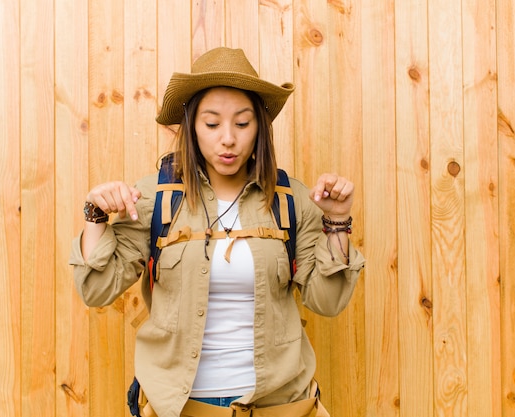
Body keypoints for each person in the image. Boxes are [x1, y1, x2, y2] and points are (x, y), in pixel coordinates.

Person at [70, 47, 365, 417]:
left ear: (259, 127)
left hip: (281, 405)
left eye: (242, 124)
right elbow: (96, 290)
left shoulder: (292, 200)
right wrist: (95, 215)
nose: (228, 138)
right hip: (182, 406)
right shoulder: (153, 199)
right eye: (212, 124)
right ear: (192, 127)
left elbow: (328, 301)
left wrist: (337, 220)